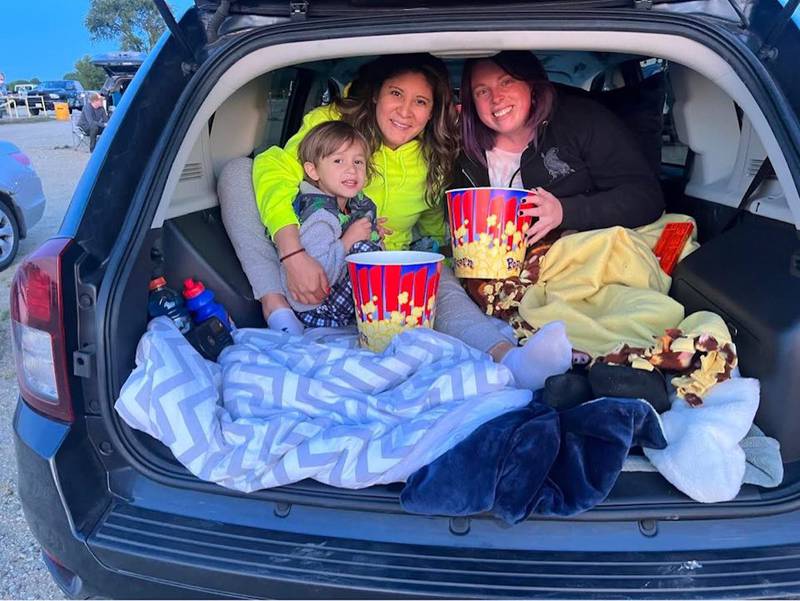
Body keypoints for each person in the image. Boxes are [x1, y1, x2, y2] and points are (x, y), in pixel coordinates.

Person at [219, 53, 572, 392]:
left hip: (385, 273)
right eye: (396, 94)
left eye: (421, 102)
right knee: (238, 173)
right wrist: (292, 253)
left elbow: (435, 226)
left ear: (433, 111)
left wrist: (457, 268)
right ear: (376, 95)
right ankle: (277, 312)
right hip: (310, 255)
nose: (405, 111)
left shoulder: (435, 154)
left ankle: (512, 361)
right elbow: (273, 167)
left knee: (438, 276)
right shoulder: (333, 125)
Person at [453, 50, 665, 245]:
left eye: (507, 82)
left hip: (579, 257)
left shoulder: (582, 120)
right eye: (482, 91)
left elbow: (646, 198)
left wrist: (564, 211)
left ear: (531, 85)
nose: (496, 98)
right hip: (493, 271)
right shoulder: (460, 147)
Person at [284, 120, 382, 327]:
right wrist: (348, 241)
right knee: (364, 251)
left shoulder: (351, 205)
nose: (351, 170)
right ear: (313, 171)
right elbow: (318, 277)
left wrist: (372, 233)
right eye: (338, 161)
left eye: (358, 162)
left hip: (335, 301)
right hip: (318, 309)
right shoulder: (319, 216)